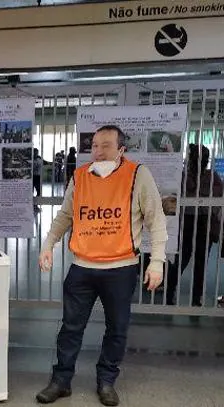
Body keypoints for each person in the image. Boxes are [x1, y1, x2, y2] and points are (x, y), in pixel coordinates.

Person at [36, 125, 167, 406]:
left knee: (117, 329)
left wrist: (157, 262)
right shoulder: (80, 176)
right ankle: (61, 381)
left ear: (121, 149)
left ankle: (106, 381)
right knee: (70, 328)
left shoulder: (137, 175)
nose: (98, 151)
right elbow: (64, 216)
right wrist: (48, 244)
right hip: (82, 267)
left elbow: (156, 221)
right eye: (94, 145)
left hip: (121, 268)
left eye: (106, 145)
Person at [166, 144, 223, 306]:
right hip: (195, 221)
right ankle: (192, 298)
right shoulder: (208, 177)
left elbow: (217, 196)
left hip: (195, 221)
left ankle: (174, 295)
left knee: (184, 260)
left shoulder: (187, 176)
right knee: (193, 261)